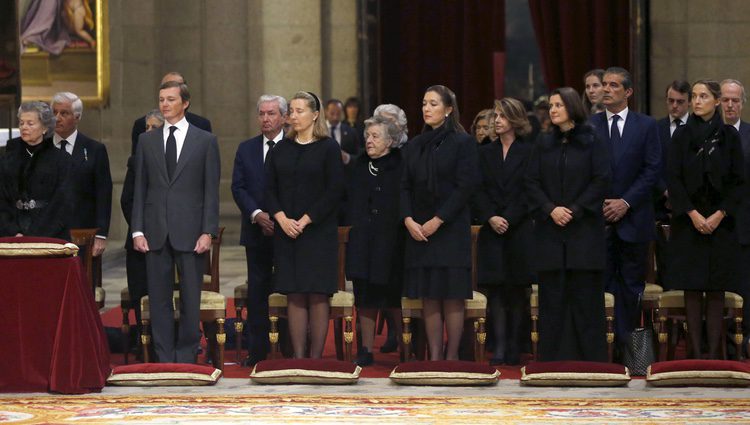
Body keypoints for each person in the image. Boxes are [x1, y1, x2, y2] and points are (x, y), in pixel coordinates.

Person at [131, 81, 220, 364]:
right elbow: (139, 189)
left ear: (185, 103)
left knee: (190, 300)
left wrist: (208, 231)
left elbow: (211, 191)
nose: (164, 104)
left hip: (191, 231)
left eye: (170, 99)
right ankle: (164, 357)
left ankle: (186, 355)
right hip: (155, 230)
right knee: (158, 300)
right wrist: (137, 229)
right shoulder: (147, 141)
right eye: (161, 99)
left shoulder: (205, 140)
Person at [525, 87, 611, 361]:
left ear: (572, 107)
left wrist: (574, 210)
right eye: (550, 105)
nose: (552, 110)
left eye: (558, 105)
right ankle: (554, 360)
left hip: (583, 231)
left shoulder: (592, 140)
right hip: (551, 233)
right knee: (554, 298)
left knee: (585, 298)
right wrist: (550, 209)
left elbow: (601, 180)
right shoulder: (543, 142)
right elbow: (531, 181)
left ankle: (589, 360)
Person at [401, 85, 479, 361]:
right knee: (430, 294)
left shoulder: (463, 143)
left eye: (433, 104)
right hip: (419, 230)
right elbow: (404, 187)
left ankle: (452, 355)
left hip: (450, 227)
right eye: (423, 103)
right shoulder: (414, 145)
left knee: (452, 295)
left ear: (448, 110)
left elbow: (465, 186)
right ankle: (434, 356)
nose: (426, 109)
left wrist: (438, 219)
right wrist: (408, 219)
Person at [667, 79, 744, 359]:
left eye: (703, 96)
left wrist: (719, 214)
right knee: (692, 287)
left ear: (716, 101)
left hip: (720, 224)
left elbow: (739, 182)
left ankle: (713, 355)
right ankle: (694, 353)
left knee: (715, 290)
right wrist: (694, 214)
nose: (697, 101)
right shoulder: (682, 136)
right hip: (689, 222)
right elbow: (673, 179)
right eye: (694, 96)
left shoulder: (729, 136)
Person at [265, 91, 345, 359]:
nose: (294, 116)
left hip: (318, 231)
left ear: (314, 114)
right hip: (287, 232)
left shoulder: (328, 148)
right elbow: (268, 189)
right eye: (292, 111)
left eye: (300, 111)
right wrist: (281, 218)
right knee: (295, 293)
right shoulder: (280, 149)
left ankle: (316, 359)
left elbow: (335, 190)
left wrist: (307, 219)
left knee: (317, 294)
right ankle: (299, 358)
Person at [590, 67, 661, 345]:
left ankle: (626, 348)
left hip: (634, 220)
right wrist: (602, 203)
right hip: (599, 220)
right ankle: (602, 348)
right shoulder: (590, 125)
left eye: (613, 85)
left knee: (631, 287)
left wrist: (626, 202)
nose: (606, 89)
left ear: (628, 91)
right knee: (601, 287)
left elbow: (652, 169)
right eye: (604, 84)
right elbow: (584, 171)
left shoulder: (646, 125)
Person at [473, 98, 534, 365]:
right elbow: (477, 189)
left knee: (516, 290)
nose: (496, 121)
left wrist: (509, 217)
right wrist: (491, 216)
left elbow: (530, 190)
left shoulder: (530, 151)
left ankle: (513, 346)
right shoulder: (485, 152)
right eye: (495, 115)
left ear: (515, 120)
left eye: (502, 116)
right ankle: (497, 346)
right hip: (492, 229)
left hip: (519, 229)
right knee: (495, 290)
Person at [231, 94, 288, 366]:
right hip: (255, 232)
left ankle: (290, 348)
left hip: (288, 231)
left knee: (288, 289)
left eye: (272, 113)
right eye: (262, 114)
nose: (266, 118)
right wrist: (257, 214)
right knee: (258, 291)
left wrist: (279, 218)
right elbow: (238, 187)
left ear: (284, 117)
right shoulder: (246, 149)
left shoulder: (293, 146)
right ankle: (258, 351)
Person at [345, 115, 406, 366]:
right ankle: (366, 349)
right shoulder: (358, 165)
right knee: (365, 298)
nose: (369, 141)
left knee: (394, 298)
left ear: (390, 141)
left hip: (393, 242)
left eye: (375, 136)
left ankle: (406, 348)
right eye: (367, 136)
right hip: (363, 241)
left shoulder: (401, 164)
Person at [121, 109, 163, 350]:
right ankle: (142, 342)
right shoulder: (135, 161)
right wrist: (140, 230)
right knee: (139, 291)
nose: (148, 132)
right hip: (138, 239)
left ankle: (164, 340)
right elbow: (127, 200)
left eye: (154, 128)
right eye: (146, 128)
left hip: (167, 237)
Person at [51, 92, 112, 259]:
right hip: (49, 233)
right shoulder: (42, 147)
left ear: (77, 117)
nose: (57, 118)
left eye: (64, 113)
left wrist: (101, 235)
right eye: (54, 112)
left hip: (83, 233)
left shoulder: (94, 150)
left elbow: (103, 194)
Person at [0, 102, 72, 239]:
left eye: (30, 123)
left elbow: (62, 203)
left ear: (45, 127)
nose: (24, 127)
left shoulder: (61, 160)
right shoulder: (7, 160)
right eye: (21, 123)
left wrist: (35, 236)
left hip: (49, 234)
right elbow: (2, 199)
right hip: (12, 235)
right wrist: (13, 231)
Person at [720, 79, 750, 357]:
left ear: (742, 103)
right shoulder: (707, 134)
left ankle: (742, 344)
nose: (730, 105)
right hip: (711, 227)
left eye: (735, 100)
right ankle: (717, 346)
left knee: (744, 289)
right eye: (726, 99)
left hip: (743, 226)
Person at [654, 80, 691, 287]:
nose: (674, 106)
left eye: (680, 101)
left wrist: (681, 196)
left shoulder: (697, 128)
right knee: (666, 265)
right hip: (662, 205)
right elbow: (651, 165)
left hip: (692, 207)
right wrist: (666, 192)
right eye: (670, 101)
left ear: (689, 103)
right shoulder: (655, 128)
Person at [130, 72, 212, 155]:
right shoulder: (143, 124)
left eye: (175, 86)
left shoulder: (201, 125)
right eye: (166, 86)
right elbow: (136, 162)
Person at [325, 98, 361, 165]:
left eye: (338, 114)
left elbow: (359, 157)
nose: (335, 117)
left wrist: (347, 158)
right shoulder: (317, 131)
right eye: (332, 113)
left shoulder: (351, 132)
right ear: (326, 112)